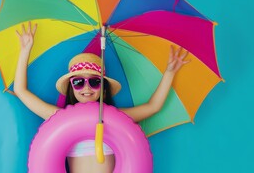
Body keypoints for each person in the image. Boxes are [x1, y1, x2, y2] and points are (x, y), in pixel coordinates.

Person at [14, 22, 189, 173]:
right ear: (71, 88)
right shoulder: (58, 118)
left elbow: (153, 107)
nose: (87, 88)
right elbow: (21, 91)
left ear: (104, 88)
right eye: (78, 82)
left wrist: (169, 73)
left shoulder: (117, 119)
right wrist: (25, 51)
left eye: (95, 82)